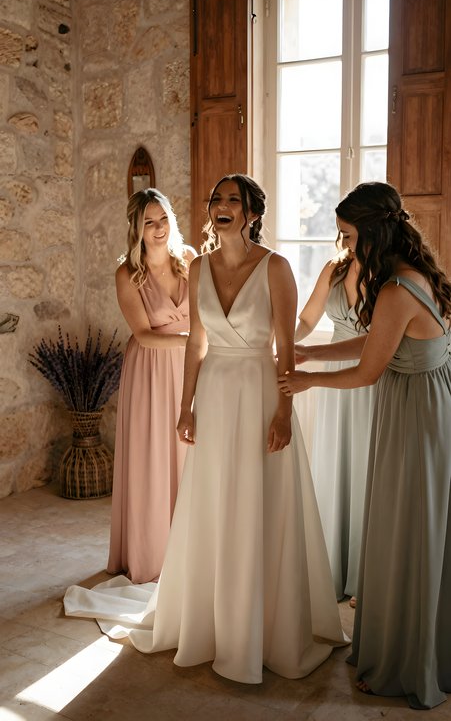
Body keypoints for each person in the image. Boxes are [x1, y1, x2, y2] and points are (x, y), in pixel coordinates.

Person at [64, 174, 347, 683]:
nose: (222, 206)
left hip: (260, 391)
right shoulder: (199, 267)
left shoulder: (276, 268)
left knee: (260, 500)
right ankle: (210, 619)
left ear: (251, 214)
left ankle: (263, 625)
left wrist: (284, 412)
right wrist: (186, 407)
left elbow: (286, 347)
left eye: (233, 200)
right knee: (213, 501)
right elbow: (196, 342)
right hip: (214, 395)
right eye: (217, 199)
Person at [279, 181, 451, 710]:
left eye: (350, 236)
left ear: (374, 232)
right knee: (410, 527)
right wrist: (311, 353)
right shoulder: (412, 276)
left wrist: (307, 381)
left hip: (415, 417)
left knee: (407, 530)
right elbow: (381, 339)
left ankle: (405, 664)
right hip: (421, 404)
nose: (345, 246)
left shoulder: (397, 289)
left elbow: (369, 370)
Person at [107, 188, 195, 584]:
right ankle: (151, 554)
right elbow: (143, 334)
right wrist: (189, 340)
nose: (159, 228)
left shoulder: (189, 258)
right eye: (149, 222)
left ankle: (191, 550)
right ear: (136, 228)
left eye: (164, 219)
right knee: (154, 456)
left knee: (189, 454)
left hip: (191, 366)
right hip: (151, 369)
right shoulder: (127, 274)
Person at [294, 244, 376, 603]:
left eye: (350, 232)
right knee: (334, 463)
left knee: (365, 468)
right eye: (341, 232)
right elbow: (307, 320)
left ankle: (366, 574)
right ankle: (332, 567)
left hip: (371, 375)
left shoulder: (388, 273)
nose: (345, 241)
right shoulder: (335, 268)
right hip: (332, 371)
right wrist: (281, 342)